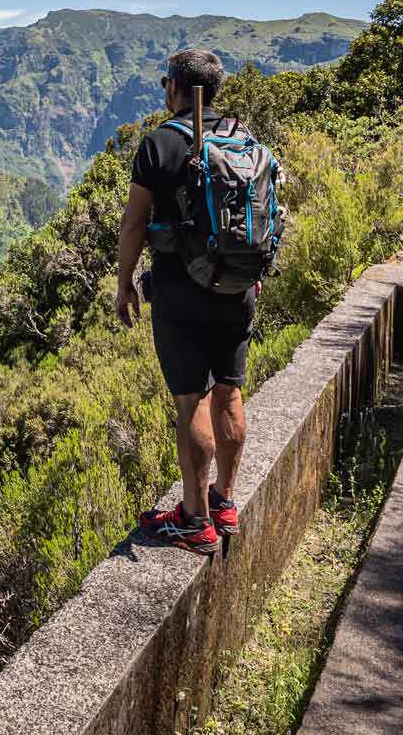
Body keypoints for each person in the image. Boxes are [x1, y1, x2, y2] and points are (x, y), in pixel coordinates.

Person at [114, 49, 251, 555]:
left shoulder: (158, 145)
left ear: (173, 87)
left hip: (180, 292)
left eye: (163, 82)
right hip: (239, 288)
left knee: (190, 398)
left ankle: (194, 519)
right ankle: (225, 500)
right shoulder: (241, 137)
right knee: (231, 390)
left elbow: (133, 222)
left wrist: (124, 282)